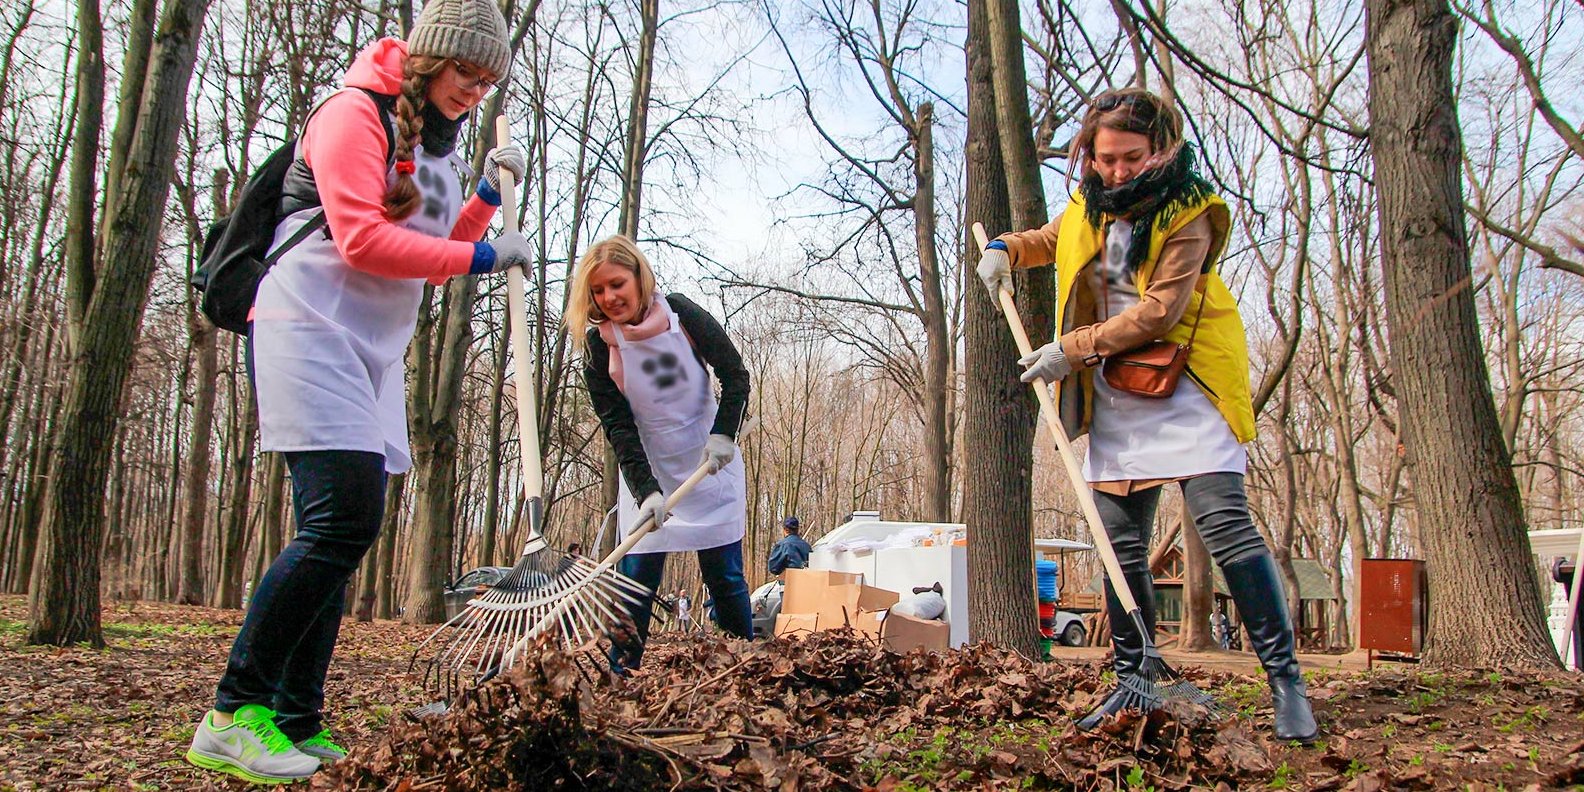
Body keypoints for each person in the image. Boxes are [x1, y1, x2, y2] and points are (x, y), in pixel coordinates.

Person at [186, 1, 529, 783]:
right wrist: (482, 259)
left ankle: (296, 719)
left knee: (348, 534)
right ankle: (234, 713)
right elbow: (363, 239)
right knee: (340, 518)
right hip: (307, 323)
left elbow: (436, 245)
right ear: (427, 59)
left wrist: (485, 194)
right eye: (464, 72)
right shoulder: (351, 114)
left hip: (372, 347)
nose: (474, 90)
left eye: (487, 80)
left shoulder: (436, 147)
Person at [975, 87, 1317, 743]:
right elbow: (1054, 239)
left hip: (1187, 378)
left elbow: (1160, 310)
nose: (1118, 171)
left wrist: (1068, 349)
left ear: (1160, 149)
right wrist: (1005, 249)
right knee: (1117, 544)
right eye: (1105, 158)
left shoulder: (1191, 210)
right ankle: (1132, 680)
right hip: (1117, 391)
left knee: (1225, 527)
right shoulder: (1088, 201)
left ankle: (1287, 683)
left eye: (1131, 158)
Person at [566, 235, 753, 671]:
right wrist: (646, 491)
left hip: (710, 467)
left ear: (638, 276)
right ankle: (620, 678)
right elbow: (619, 428)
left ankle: (746, 668)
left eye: (616, 284)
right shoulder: (598, 348)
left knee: (725, 579)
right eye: (598, 290)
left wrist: (724, 433)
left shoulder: (681, 314)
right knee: (635, 586)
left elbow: (734, 374)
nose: (609, 297)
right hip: (649, 473)